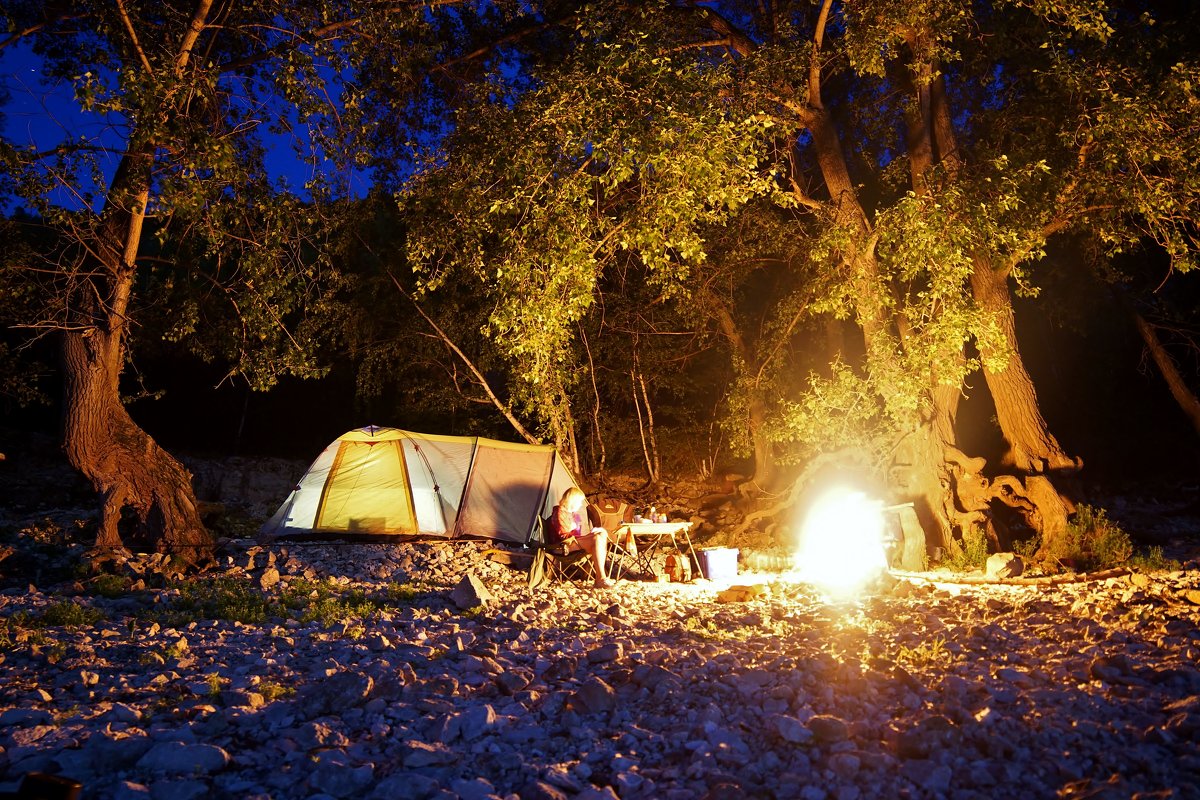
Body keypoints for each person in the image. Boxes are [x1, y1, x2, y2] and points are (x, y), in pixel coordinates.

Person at [550, 487, 614, 588]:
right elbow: (563, 536)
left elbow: (576, 535)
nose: (580, 505)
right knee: (597, 538)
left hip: (573, 543)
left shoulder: (572, 515)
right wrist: (586, 535)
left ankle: (600, 578)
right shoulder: (559, 512)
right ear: (573, 500)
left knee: (601, 534)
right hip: (563, 546)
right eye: (579, 502)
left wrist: (589, 534)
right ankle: (601, 579)